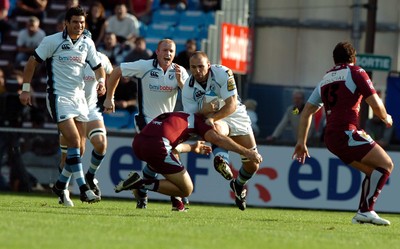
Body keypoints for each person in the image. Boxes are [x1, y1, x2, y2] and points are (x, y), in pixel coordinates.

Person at [292, 41, 394, 226]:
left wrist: (301, 141)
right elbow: (375, 103)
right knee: (386, 164)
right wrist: (386, 117)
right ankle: (366, 210)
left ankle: (363, 213)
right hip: (347, 133)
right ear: (353, 58)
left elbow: (306, 112)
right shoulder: (356, 72)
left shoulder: (326, 79)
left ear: (334, 59)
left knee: (374, 171)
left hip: (331, 138)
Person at [18, 6, 106, 205]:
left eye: (82, 23)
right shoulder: (52, 41)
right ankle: (84, 189)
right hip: (59, 97)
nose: (79, 26)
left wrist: (101, 82)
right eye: (75, 22)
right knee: (74, 141)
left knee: (80, 149)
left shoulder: (87, 43)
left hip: (79, 99)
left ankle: (60, 185)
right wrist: (25, 89)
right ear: (66, 23)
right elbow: (32, 63)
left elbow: (99, 69)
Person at [113, 111, 263, 211]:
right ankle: (140, 184)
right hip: (158, 146)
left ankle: (143, 196)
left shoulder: (179, 115)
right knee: (186, 189)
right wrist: (247, 152)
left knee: (158, 163)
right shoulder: (200, 121)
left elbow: (173, 145)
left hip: (139, 143)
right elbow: (218, 139)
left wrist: (192, 148)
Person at [103, 38, 189, 210]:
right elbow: (117, 71)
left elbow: (190, 99)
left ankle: (142, 187)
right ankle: (176, 198)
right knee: (168, 156)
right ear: (157, 52)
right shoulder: (145, 66)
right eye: (164, 50)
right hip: (146, 121)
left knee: (162, 159)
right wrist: (109, 98)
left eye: (171, 51)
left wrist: (181, 84)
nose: (168, 54)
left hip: (166, 125)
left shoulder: (180, 72)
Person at [182, 51, 261, 211]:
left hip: (236, 115)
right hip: (215, 121)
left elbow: (231, 104)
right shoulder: (188, 88)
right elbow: (192, 117)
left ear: (209, 65)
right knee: (215, 129)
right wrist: (204, 112)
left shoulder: (223, 73)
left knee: (252, 165)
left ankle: (238, 185)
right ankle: (221, 160)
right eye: (193, 67)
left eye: (201, 66)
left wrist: (211, 117)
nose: (197, 71)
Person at [57, 52, 113, 206]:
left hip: (91, 109)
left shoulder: (101, 58)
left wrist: (110, 96)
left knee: (101, 143)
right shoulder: (66, 57)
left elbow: (112, 73)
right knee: (73, 154)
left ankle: (90, 176)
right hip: (70, 110)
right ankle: (63, 191)